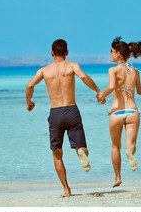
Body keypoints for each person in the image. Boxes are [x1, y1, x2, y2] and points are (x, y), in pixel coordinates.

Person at [26, 39, 104, 197]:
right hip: (71, 109)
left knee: (57, 152)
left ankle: (67, 190)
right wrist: (98, 91)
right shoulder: (72, 66)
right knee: (80, 146)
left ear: (52, 53)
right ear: (67, 52)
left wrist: (29, 102)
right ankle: (81, 151)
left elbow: (29, 86)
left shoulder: (44, 71)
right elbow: (84, 77)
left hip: (55, 113)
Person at [98, 37, 141, 188]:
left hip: (116, 112)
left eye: (112, 51)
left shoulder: (113, 70)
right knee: (131, 143)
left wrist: (101, 96)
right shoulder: (135, 71)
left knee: (115, 146)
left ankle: (117, 177)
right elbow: (140, 91)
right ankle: (130, 153)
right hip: (132, 111)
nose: (110, 54)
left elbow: (111, 86)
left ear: (118, 54)